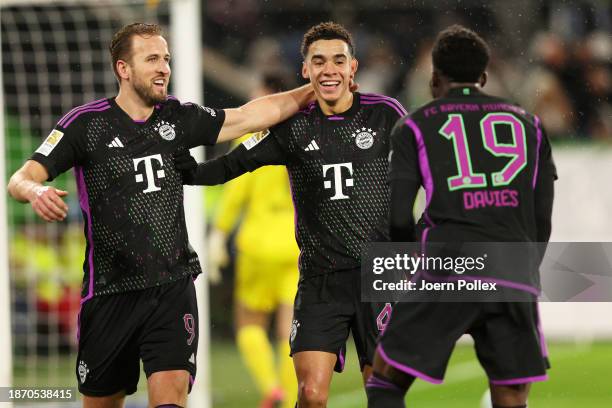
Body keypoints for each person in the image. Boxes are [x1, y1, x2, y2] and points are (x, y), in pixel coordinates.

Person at [7, 22, 314, 408]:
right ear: (123, 68)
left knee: (170, 396)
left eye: (166, 59)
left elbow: (249, 116)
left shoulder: (177, 118)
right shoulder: (85, 125)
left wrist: (312, 88)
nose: (164, 68)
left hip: (171, 286)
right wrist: (36, 190)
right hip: (109, 293)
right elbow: (21, 178)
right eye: (152, 59)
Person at [176, 21, 405, 407]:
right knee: (311, 395)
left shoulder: (385, 115)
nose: (328, 69)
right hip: (321, 278)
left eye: (338, 60)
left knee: (382, 392)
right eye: (318, 61)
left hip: (377, 275)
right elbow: (234, 165)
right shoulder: (292, 126)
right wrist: (182, 170)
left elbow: (426, 167)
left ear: (353, 68)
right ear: (305, 71)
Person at [365, 25, 557, 408]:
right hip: (511, 271)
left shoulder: (415, 125)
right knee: (511, 394)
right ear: (484, 77)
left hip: (447, 267)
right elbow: (542, 216)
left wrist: (409, 265)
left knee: (386, 379)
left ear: (434, 77)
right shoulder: (528, 124)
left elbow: (399, 215)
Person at [208, 70, 300, 408]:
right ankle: (292, 400)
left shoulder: (252, 137)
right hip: (296, 243)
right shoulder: (301, 132)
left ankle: (270, 387)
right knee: (291, 329)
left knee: (249, 322)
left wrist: (218, 235)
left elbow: (235, 192)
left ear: (267, 95)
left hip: (258, 244)